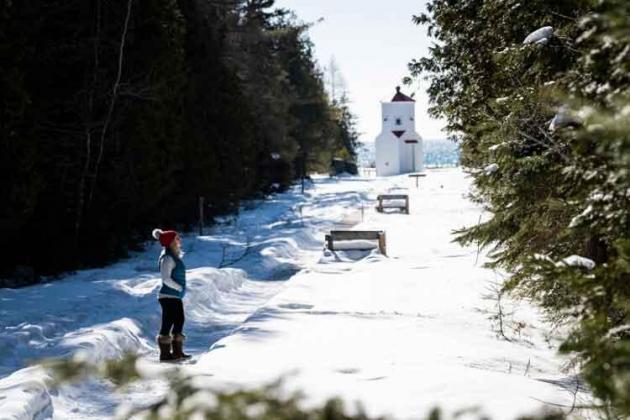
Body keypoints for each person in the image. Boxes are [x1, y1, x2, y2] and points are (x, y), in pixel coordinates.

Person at [152, 228, 192, 362]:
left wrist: (180, 291)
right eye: (176, 238)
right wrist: (179, 287)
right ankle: (165, 354)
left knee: (179, 320)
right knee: (168, 322)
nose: (179, 240)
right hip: (167, 296)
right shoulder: (167, 258)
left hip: (175, 296)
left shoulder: (174, 256)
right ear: (170, 242)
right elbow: (166, 278)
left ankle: (177, 352)